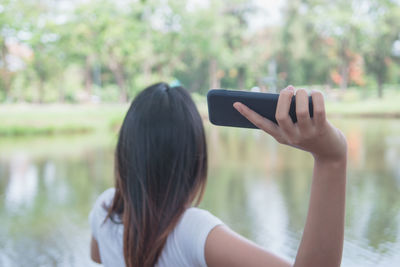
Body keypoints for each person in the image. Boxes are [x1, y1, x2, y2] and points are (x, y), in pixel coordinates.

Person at [89, 82, 347, 267]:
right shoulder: (190, 230)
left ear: (125, 150)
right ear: (193, 158)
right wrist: (331, 160)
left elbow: (98, 255)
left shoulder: (104, 208)